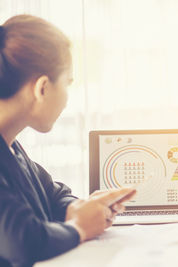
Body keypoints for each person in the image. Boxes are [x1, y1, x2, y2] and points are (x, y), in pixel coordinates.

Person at [0, 15, 136, 267]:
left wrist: (86, 208)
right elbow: (22, 242)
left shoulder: (11, 146)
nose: (66, 99)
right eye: (67, 83)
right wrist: (79, 227)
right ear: (42, 88)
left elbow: (53, 195)